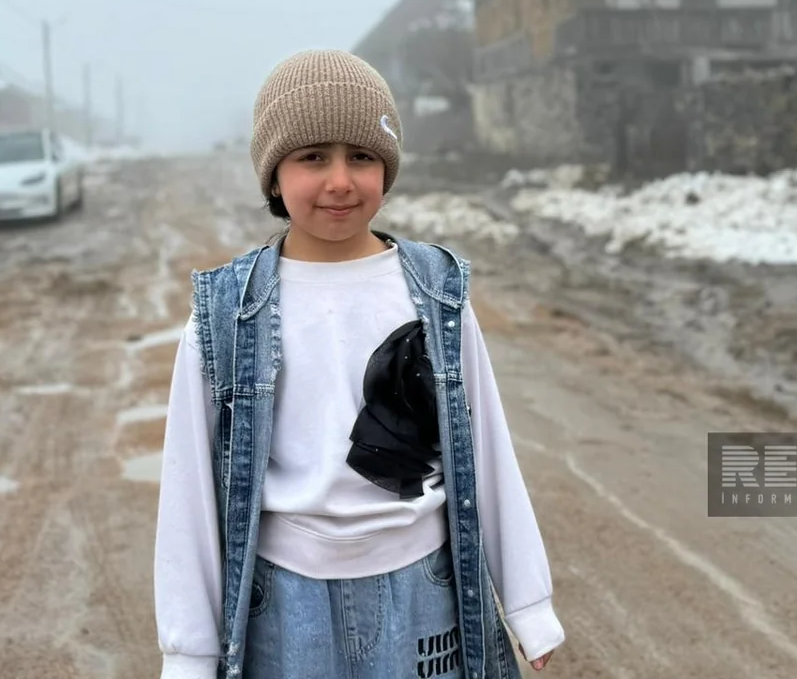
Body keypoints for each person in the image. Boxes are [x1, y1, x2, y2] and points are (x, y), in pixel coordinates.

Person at [154, 49, 565, 679]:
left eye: (362, 156)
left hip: (426, 593)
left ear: (388, 169)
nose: (340, 180)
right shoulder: (227, 316)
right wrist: (189, 653)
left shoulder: (435, 295)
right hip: (284, 606)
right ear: (273, 174)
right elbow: (189, 489)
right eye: (313, 156)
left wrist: (529, 603)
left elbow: (485, 449)